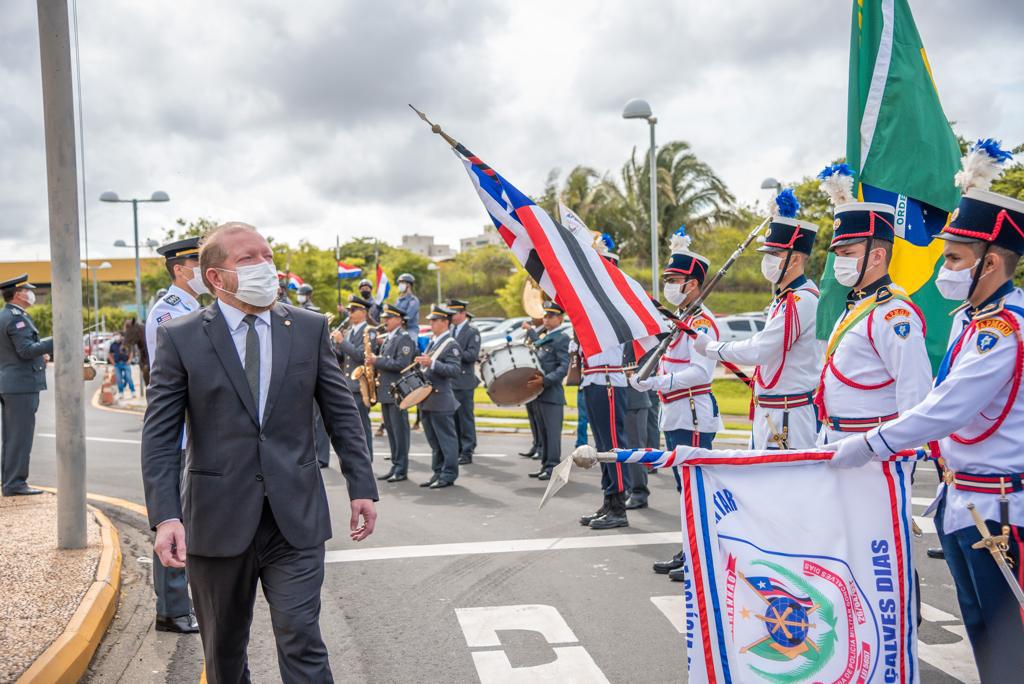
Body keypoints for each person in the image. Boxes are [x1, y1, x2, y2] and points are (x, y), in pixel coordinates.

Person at [141, 223, 377, 683]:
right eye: (248, 259)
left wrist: (361, 487)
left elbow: (341, 413)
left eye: (267, 256)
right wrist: (166, 516)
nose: (265, 267)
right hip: (216, 522)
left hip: (295, 520)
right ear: (216, 277)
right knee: (224, 652)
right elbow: (160, 435)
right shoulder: (182, 337)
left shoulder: (308, 327)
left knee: (302, 638)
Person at [831, 140, 1024, 681]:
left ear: (991, 262)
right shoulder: (972, 319)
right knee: (984, 633)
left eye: (955, 258)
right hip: (962, 500)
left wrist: (869, 443)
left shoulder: (1003, 330)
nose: (945, 267)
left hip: (1003, 511)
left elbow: (944, 406)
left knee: (1008, 639)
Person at [813, 164, 932, 445]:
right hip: (836, 438)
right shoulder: (857, 305)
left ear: (878, 257)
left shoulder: (893, 312)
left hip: (874, 447)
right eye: (838, 253)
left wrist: (901, 452)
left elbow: (913, 388)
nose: (839, 260)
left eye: (848, 253)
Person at [694, 190, 822, 449]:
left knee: (783, 486)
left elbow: (761, 349)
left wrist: (712, 348)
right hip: (773, 411)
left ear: (795, 259)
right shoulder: (785, 298)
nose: (767, 260)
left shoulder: (802, 300)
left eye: (774, 254)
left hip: (788, 416)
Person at [629, 228, 721, 577]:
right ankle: (689, 550)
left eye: (675, 279)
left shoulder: (702, 322)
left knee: (697, 489)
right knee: (685, 491)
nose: (669, 284)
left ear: (694, 284)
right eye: (667, 278)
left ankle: (702, 557)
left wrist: (659, 381)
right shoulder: (680, 321)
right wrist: (647, 378)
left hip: (694, 414)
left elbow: (701, 372)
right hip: (675, 413)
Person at [143, 236, 206, 634]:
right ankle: (171, 608)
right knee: (173, 521)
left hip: (193, 431)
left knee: (187, 520)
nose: (204, 269)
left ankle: (179, 604)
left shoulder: (191, 307)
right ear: (180, 268)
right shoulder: (169, 312)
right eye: (198, 263)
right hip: (179, 434)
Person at [577, 233, 633, 530]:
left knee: (613, 445)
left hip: (609, 381)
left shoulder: (615, 306)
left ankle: (619, 507)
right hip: (594, 380)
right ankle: (609, 498)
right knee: (602, 445)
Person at [0, 275, 52, 497]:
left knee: (12, 436)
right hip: (21, 385)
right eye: (28, 290)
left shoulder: (6, 316)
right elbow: (26, 350)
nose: (31, 293)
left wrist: (42, 356)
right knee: (19, 436)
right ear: (19, 294)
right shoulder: (16, 319)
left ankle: (10, 480)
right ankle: (15, 484)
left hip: (10, 383)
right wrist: (56, 339)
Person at [415, 305, 462, 488]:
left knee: (446, 440)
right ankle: (438, 472)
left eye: (434, 321)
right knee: (434, 442)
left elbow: (455, 370)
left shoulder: (451, 344)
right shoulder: (434, 342)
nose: (431, 323)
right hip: (428, 399)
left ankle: (449, 474)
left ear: (445, 322)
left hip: (441, 399)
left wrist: (432, 362)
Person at [369, 304, 415, 482]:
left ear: (399, 320)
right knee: (391, 430)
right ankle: (395, 465)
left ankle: (401, 469)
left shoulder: (404, 338)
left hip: (397, 391)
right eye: (384, 318)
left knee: (400, 431)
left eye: (388, 318)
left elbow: (401, 364)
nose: (385, 321)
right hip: (386, 391)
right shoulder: (389, 338)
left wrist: (377, 361)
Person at [525, 301, 570, 480]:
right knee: (543, 432)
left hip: (551, 393)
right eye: (545, 316)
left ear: (560, 319)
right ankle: (545, 465)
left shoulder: (562, 338)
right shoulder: (546, 336)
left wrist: (545, 381)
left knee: (551, 434)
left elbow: (563, 367)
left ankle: (552, 467)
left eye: (550, 316)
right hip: (539, 393)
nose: (546, 319)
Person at [332, 295, 377, 460]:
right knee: (350, 426)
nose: (349, 313)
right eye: (349, 310)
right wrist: (333, 346)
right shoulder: (350, 331)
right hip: (348, 384)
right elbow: (343, 358)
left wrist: (342, 341)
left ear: (363, 312)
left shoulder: (369, 331)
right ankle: (355, 455)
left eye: (353, 310)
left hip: (360, 385)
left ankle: (367, 457)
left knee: (362, 425)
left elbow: (360, 355)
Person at [295, 282, 331, 467]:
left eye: (302, 294)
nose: (299, 296)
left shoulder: (314, 313)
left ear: (308, 295)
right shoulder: (295, 311)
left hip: (311, 367)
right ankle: (315, 454)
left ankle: (323, 456)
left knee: (319, 418)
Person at [448, 298, 481, 465]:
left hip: (464, 381)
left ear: (462, 313)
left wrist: (453, 349)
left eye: (453, 313)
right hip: (451, 381)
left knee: (465, 418)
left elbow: (471, 356)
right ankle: (459, 448)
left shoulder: (472, 332)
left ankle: (467, 450)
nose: (450, 316)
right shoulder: (450, 330)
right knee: (454, 418)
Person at [108, 334, 136, 399]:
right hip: (117, 365)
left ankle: (133, 392)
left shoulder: (125, 343)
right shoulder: (113, 344)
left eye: (118, 335)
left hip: (126, 364)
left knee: (128, 377)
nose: (117, 337)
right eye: (115, 336)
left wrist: (129, 360)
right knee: (119, 379)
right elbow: (110, 354)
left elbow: (131, 352)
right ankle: (121, 393)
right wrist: (113, 362)